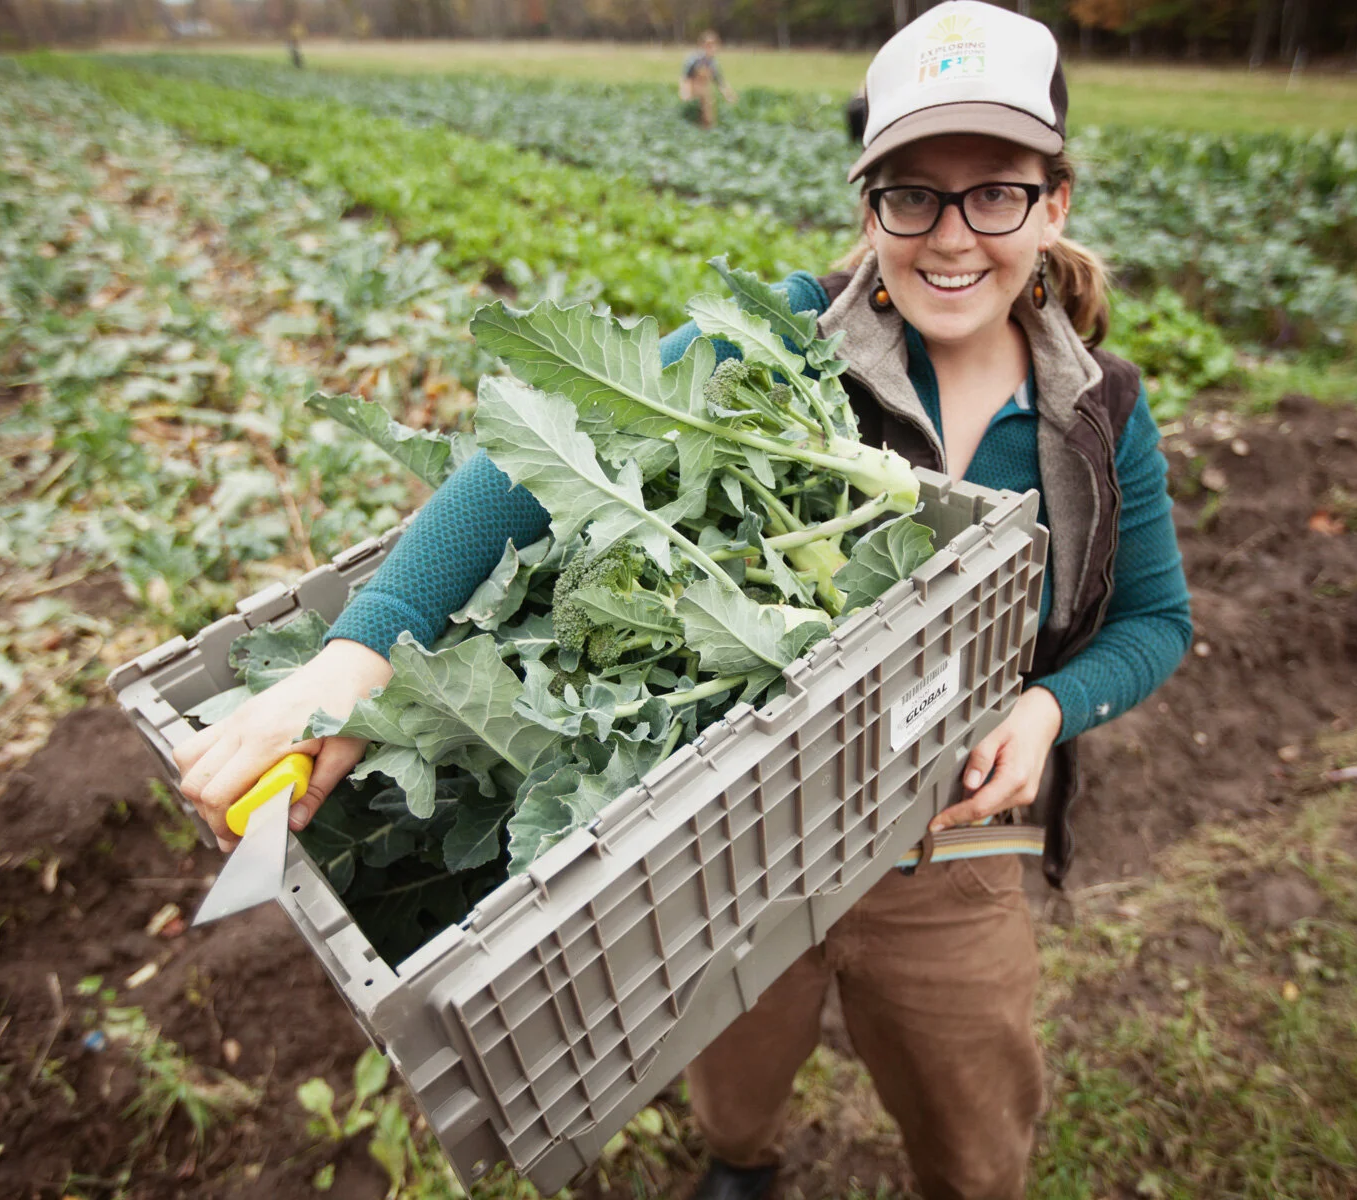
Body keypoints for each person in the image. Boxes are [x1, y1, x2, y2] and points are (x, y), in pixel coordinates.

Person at [176, 4, 1191, 1197]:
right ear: (870, 208)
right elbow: (531, 459)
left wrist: (1050, 708)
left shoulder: (1100, 416)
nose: (952, 235)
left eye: (997, 194)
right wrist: (358, 658)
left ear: (1054, 203)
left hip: (951, 849)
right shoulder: (783, 339)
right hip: (741, 842)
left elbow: (1155, 624)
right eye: (913, 195)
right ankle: (740, 1162)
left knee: (971, 1114)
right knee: (734, 1069)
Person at [679, 30, 736, 128]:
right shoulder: (694, 59)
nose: (711, 47)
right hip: (693, 88)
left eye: (713, 45)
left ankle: (706, 129)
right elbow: (686, 77)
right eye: (708, 45)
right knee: (691, 118)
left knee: (708, 116)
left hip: (705, 91)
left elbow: (719, 82)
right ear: (702, 45)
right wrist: (685, 93)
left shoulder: (713, 63)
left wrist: (728, 95)